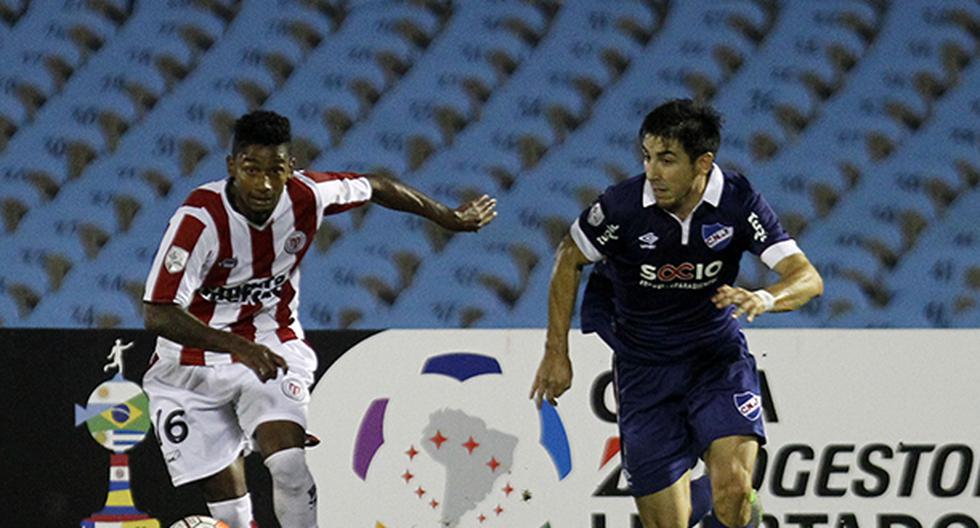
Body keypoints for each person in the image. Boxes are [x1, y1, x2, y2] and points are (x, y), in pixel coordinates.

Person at [142, 110, 496, 528]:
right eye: (252, 169)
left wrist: (447, 217)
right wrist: (238, 347)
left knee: (289, 464)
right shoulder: (199, 220)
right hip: (189, 362)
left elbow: (376, 186)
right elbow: (158, 312)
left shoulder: (307, 195)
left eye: (276, 170)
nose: (265, 183)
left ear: (290, 168)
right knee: (229, 513)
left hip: (272, 344)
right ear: (232, 166)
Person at [529, 99, 823, 528]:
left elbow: (807, 277)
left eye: (666, 160)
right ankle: (701, 495)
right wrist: (557, 351)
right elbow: (569, 256)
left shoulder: (738, 202)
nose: (652, 171)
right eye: (647, 157)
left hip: (715, 359)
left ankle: (730, 507)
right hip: (644, 370)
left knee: (735, 490)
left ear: (702, 162)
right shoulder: (622, 207)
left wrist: (766, 298)